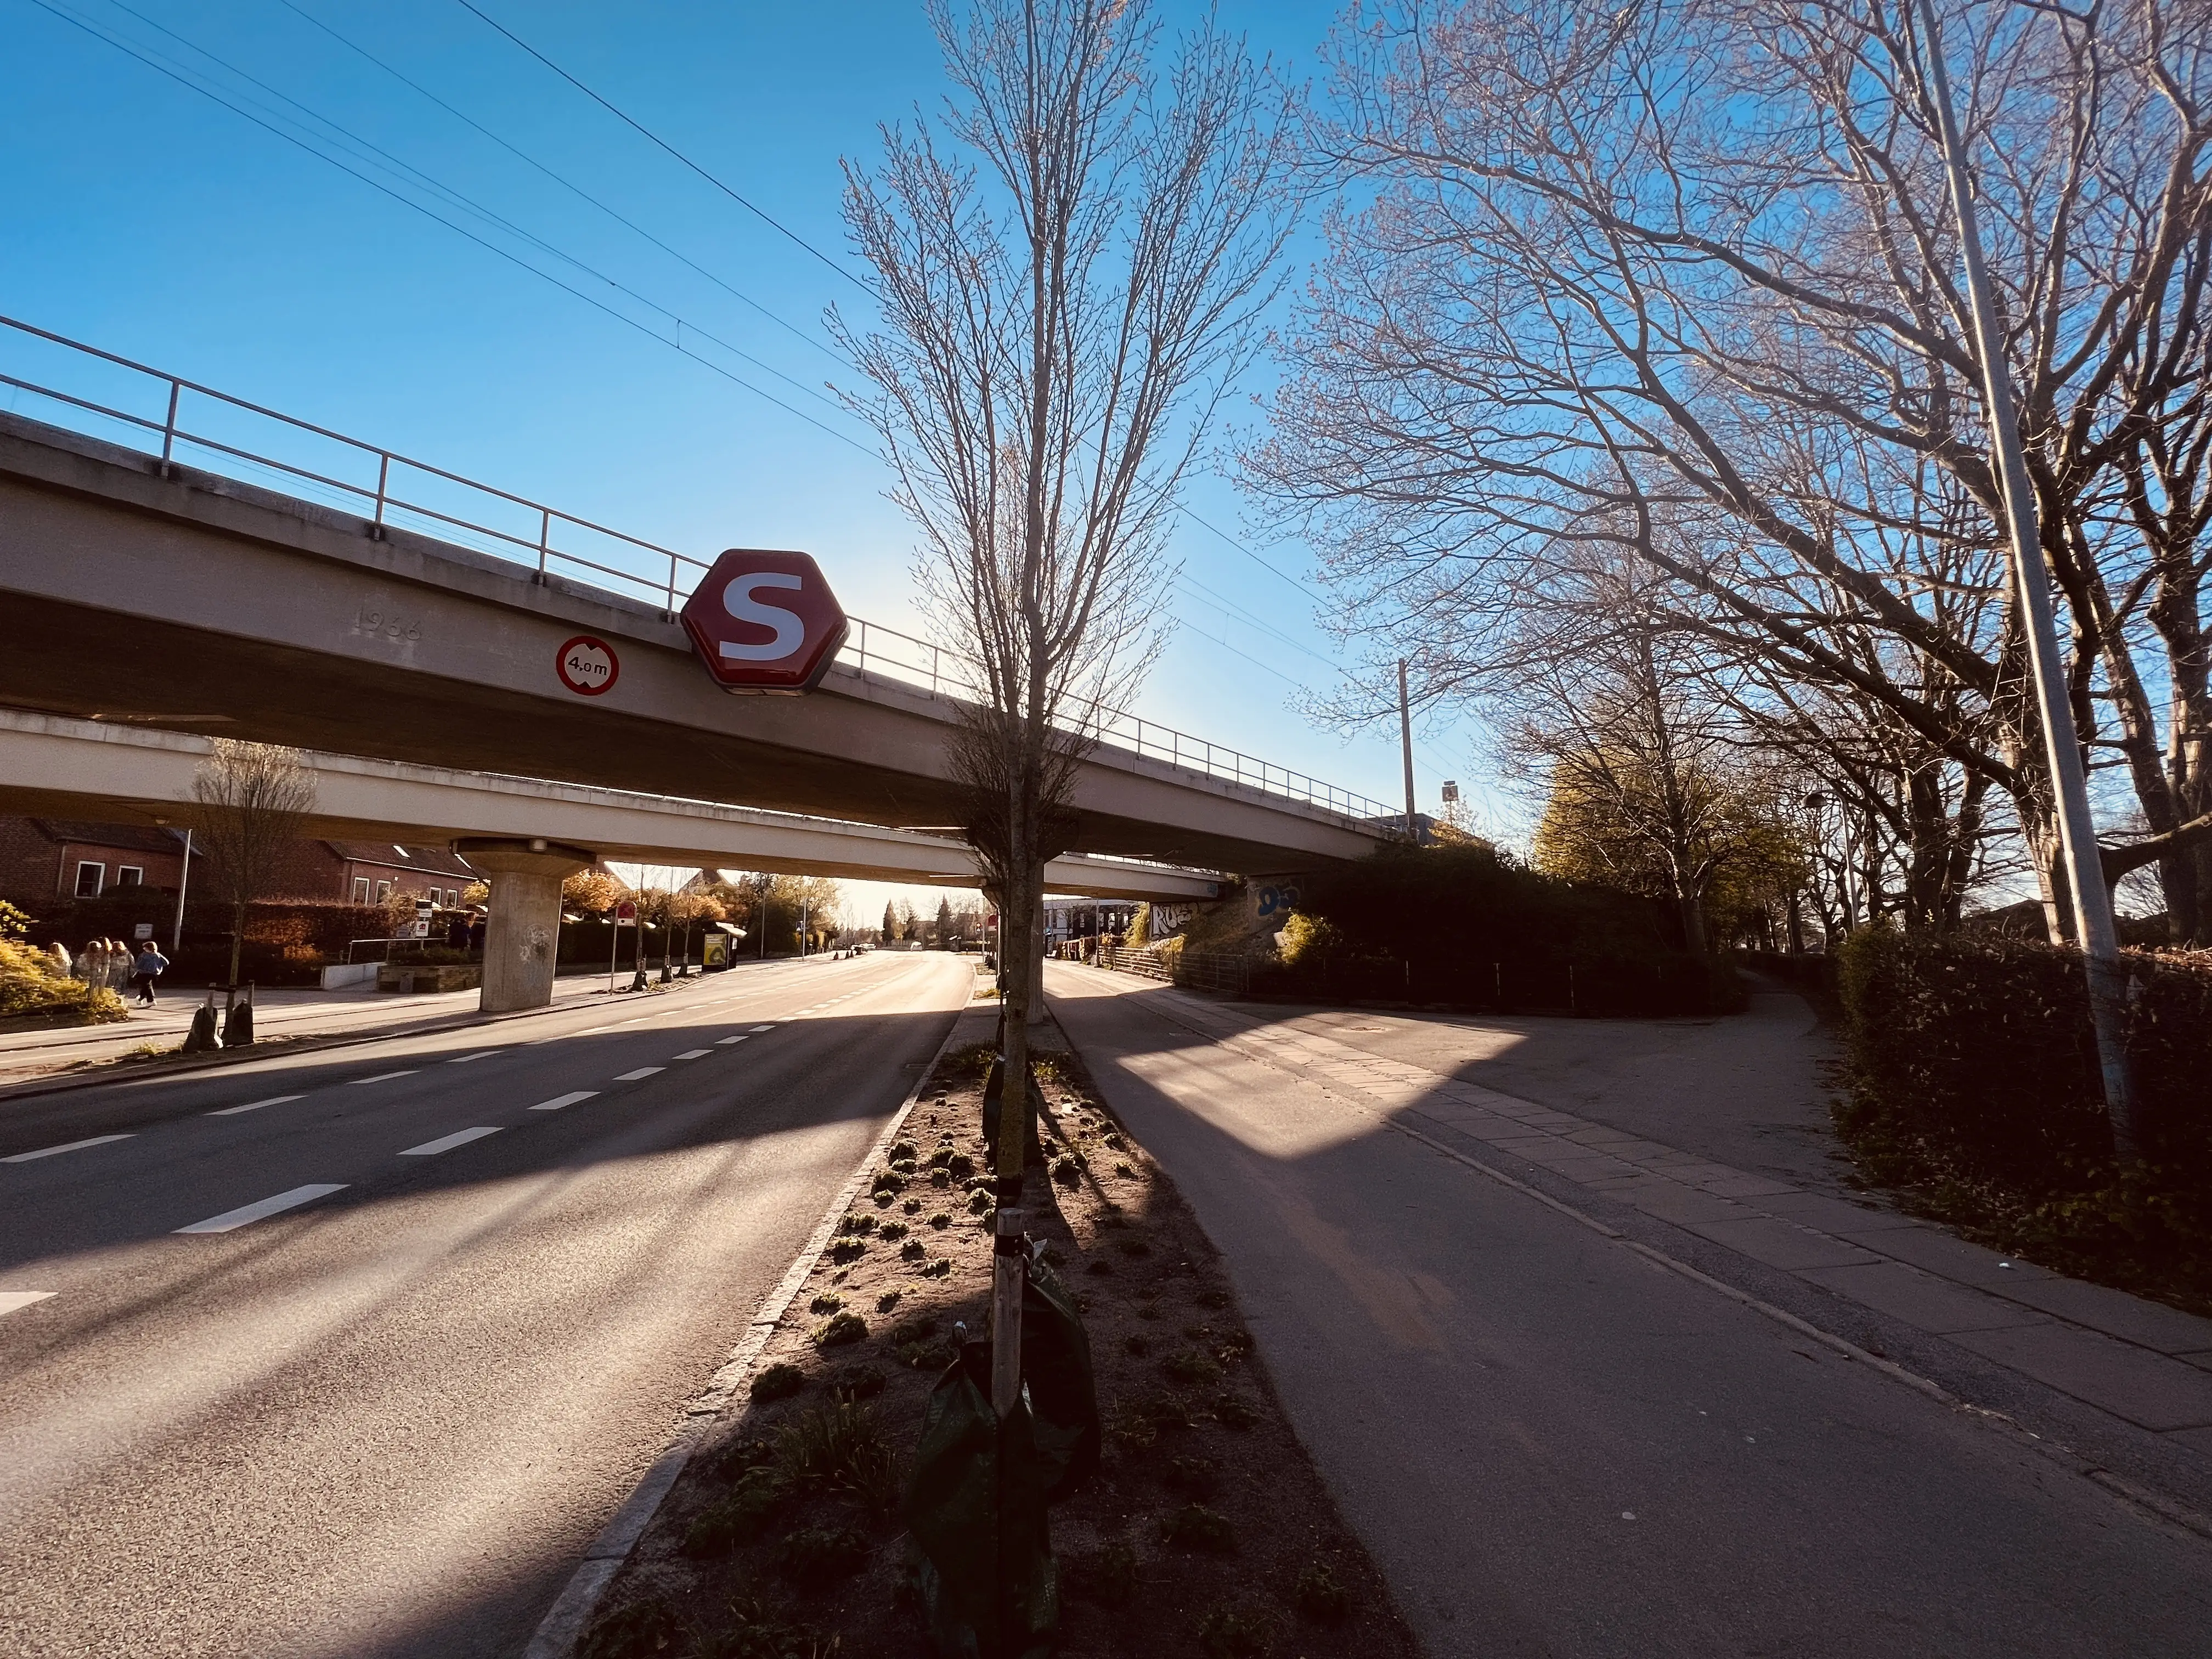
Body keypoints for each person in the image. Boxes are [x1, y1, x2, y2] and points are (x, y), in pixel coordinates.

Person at [130, 941, 168, 1006]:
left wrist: (136, 970)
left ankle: (143, 999)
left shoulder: (144, 955)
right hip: (152, 973)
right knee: (147, 986)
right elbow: (166, 963)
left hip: (144, 972)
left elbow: (139, 964)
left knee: (146, 986)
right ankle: (148, 999)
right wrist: (159, 966)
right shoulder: (158, 955)